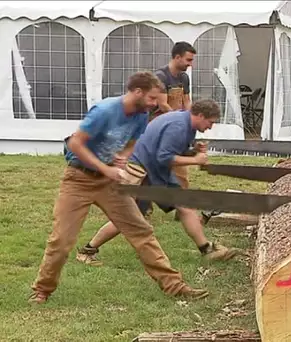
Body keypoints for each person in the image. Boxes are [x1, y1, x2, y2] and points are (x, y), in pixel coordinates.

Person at [29, 72, 208, 304]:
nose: (156, 104)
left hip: (109, 183)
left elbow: (133, 141)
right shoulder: (105, 111)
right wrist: (106, 168)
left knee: (141, 231)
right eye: (153, 98)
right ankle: (42, 290)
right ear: (137, 92)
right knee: (61, 240)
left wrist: (122, 157)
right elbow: (75, 143)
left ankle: (174, 286)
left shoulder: (142, 115)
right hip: (78, 180)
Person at [75, 99, 240, 266]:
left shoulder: (185, 124)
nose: (210, 127)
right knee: (129, 216)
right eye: (210, 122)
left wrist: (193, 152)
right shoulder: (179, 127)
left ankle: (206, 249)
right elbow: (164, 157)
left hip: (151, 170)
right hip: (142, 170)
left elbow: (171, 151)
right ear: (200, 115)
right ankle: (87, 251)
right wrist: (196, 160)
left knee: (181, 206)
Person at [150, 41, 198, 221]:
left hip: (177, 127)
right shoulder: (160, 77)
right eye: (188, 60)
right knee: (149, 168)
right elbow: (162, 104)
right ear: (177, 57)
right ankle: (142, 206)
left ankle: (183, 209)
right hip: (159, 126)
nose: (190, 64)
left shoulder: (185, 78)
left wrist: (190, 120)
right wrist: (179, 121)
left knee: (181, 169)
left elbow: (187, 101)